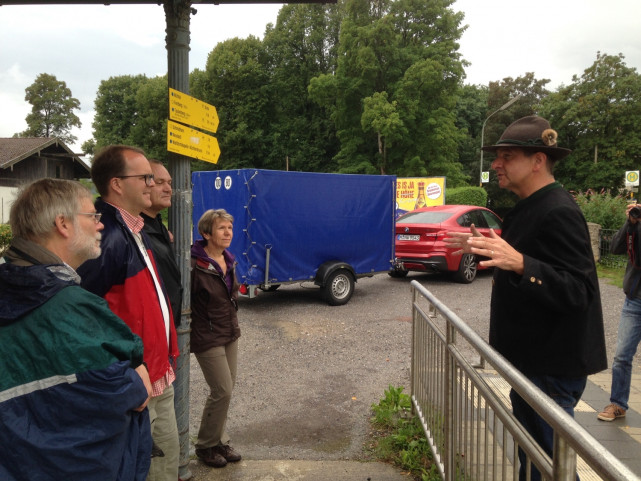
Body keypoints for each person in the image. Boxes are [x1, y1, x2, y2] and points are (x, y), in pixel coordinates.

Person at [445, 116, 607, 481]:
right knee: (535, 463)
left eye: (507, 156)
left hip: (550, 368)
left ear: (538, 161)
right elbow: (529, 253)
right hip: (534, 364)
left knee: (550, 469)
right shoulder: (531, 205)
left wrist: (521, 263)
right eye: (497, 156)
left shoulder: (558, 210)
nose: (496, 164)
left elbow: (579, 290)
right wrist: (485, 246)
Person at [0, 178, 152, 481]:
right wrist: (138, 377)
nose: (100, 225)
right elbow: (132, 390)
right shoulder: (73, 306)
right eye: (92, 216)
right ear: (63, 224)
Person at [77, 145, 180, 481]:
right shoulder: (105, 236)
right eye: (145, 177)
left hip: (154, 372)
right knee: (142, 468)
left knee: (164, 462)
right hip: (135, 382)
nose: (152, 184)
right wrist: (124, 372)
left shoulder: (132, 228)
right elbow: (83, 317)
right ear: (117, 184)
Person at [191, 208, 242, 468]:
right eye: (221, 228)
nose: (228, 232)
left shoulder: (228, 259)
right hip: (206, 334)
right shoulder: (194, 264)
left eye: (229, 228)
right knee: (222, 389)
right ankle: (205, 446)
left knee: (227, 389)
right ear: (206, 233)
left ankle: (219, 440)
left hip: (229, 331)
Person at [597, 203, 641, 421]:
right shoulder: (637, 225)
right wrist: (630, 223)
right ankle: (617, 404)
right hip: (635, 300)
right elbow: (615, 247)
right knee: (622, 356)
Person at [142, 159, 183, 328]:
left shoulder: (157, 225)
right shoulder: (133, 231)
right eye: (159, 183)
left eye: (169, 183)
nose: (168, 189)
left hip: (165, 328)